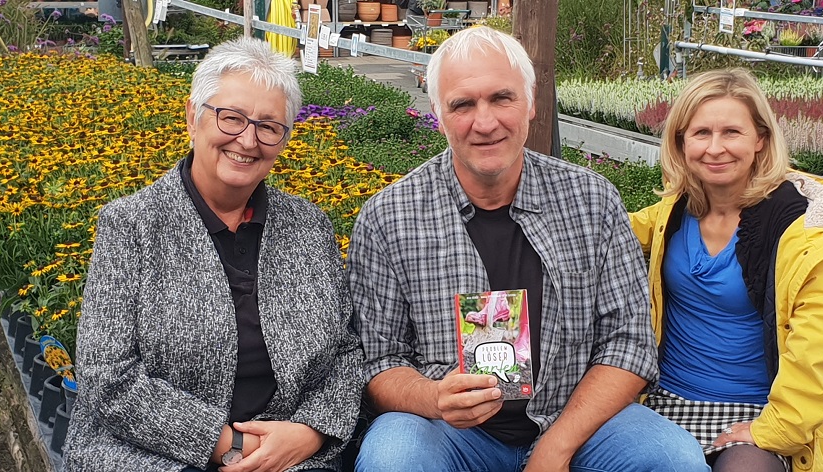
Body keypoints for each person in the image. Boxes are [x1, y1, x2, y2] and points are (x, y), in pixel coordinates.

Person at [347, 26, 708, 472]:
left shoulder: (591, 200)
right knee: (393, 460)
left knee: (674, 460)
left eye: (502, 98)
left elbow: (628, 345)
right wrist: (434, 397)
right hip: (450, 433)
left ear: (532, 102)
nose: (485, 122)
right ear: (438, 113)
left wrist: (557, 446)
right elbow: (379, 359)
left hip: (575, 419)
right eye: (462, 104)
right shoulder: (389, 216)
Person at [64, 37, 364, 472]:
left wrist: (310, 431)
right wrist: (229, 444)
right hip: (152, 453)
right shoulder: (132, 224)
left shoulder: (309, 225)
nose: (248, 139)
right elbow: (107, 376)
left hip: (291, 454)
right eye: (232, 118)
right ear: (193, 116)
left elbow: (346, 352)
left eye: (269, 126)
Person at [630, 68, 823, 472]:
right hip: (662, 400)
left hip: (756, 410)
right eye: (700, 133)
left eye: (732, 132)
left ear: (761, 139)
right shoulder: (673, 213)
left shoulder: (797, 228)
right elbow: (605, 231)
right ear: (680, 142)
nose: (715, 148)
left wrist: (775, 429)